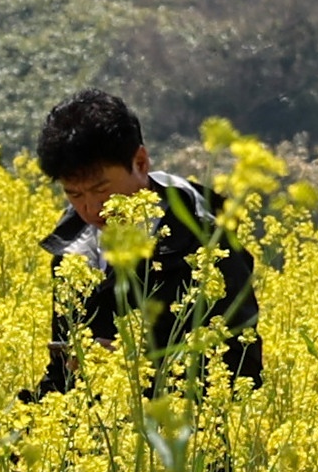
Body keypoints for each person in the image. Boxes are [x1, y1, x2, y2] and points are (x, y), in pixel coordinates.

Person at [26, 87, 262, 398]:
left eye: (101, 189)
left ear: (140, 162)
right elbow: (61, 376)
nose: (92, 209)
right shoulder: (72, 248)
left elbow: (241, 370)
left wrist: (132, 367)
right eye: (75, 194)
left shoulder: (205, 242)